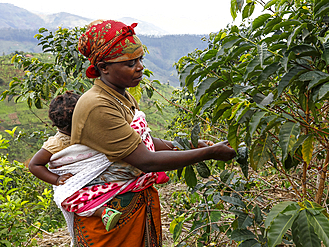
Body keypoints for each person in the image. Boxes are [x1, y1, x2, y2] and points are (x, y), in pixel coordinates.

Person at [66, 19, 237, 247]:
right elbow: (146, 160)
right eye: (129, 63)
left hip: (130, 207)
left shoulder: (121, 95)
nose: (139, 67)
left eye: (140, 59)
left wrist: (189, 144)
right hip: (110, 216)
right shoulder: (98, 105)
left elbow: (143, 142)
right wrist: (209, 153)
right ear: (103, 67)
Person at [28, 91, 122, 233]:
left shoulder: (94, 129)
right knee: (66, 200)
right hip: (76, 184)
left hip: (101, 175)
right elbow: (34, 165)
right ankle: (101, 212)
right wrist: (57, 179)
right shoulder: (57, 142)